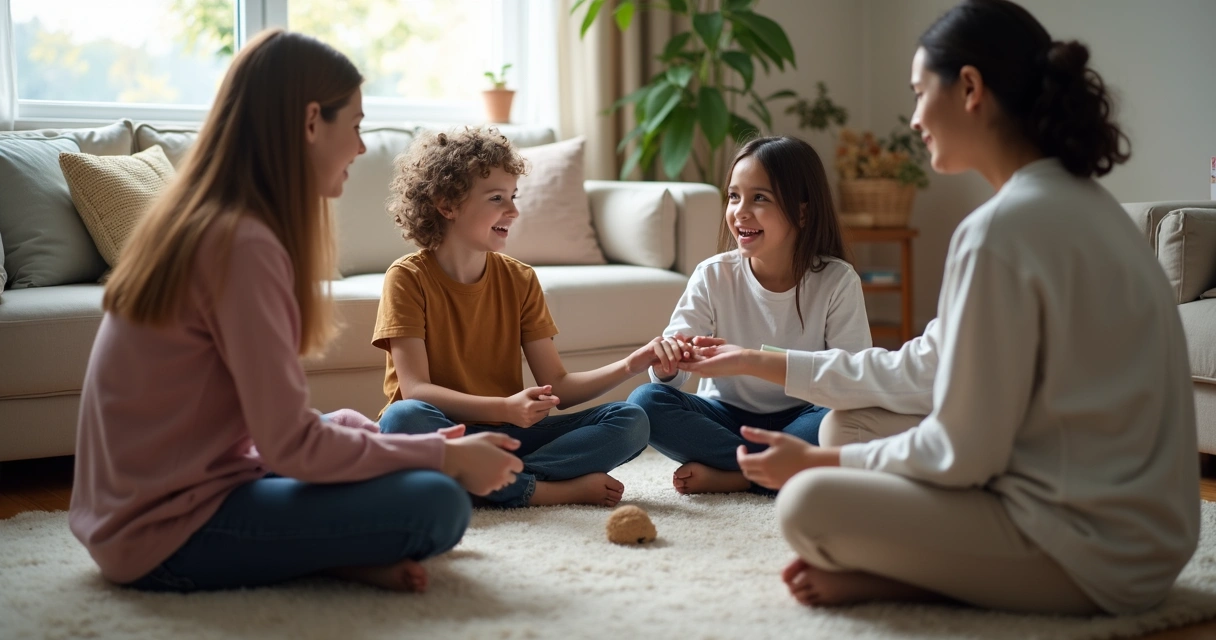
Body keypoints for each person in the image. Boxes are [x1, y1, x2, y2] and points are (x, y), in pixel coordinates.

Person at [679, 0, 1198, 616]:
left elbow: (963, 451)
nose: (916, 117)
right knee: (849, 421)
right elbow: (924, 367)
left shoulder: (999, 230)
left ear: (970, 89)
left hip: (1090, 553)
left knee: (806, 502)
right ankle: (925, 568)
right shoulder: (1090, 208)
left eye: (921, 93)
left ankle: (915, 583)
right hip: (1154, 541)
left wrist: (818, 462)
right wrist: (756, 361)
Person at [69, 30, 522, 593]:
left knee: (349, 423)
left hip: (150, 500)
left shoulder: (206, 222)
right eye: (354, 126)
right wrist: (439, 458)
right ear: (311, 122)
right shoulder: (242, 246)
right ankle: (319, 554)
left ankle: (323, 553)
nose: (361, 148)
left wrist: (411, 450)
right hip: (162, 530)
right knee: (437, 501)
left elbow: (278, 434)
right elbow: (293, 448)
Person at [375, 128, 661, 508]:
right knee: (403, 418)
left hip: (508, 437)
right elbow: (416, 391)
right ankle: (544, 490)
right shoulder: (407, 278)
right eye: (497, 198)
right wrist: (505, 407)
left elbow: (559, 387)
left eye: (513, 197)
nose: (513, 211)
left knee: (631, 421)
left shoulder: (520, 279)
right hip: (444, 434)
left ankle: (488, 481)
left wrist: (631, 365)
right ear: (447, 204)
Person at [628, 136, 871, 495]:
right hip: (725, 417)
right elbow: (671, 373)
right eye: (733, 196)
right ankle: (775, 472)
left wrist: (749, 360)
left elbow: (852, 377)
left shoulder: (837, 280)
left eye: (759, 198)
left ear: (802, 212)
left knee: (850, 421)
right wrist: (668, 364)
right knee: (645, 402)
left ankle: (738, 477)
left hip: (804, 417)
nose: (740, 211)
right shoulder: (713, 274)